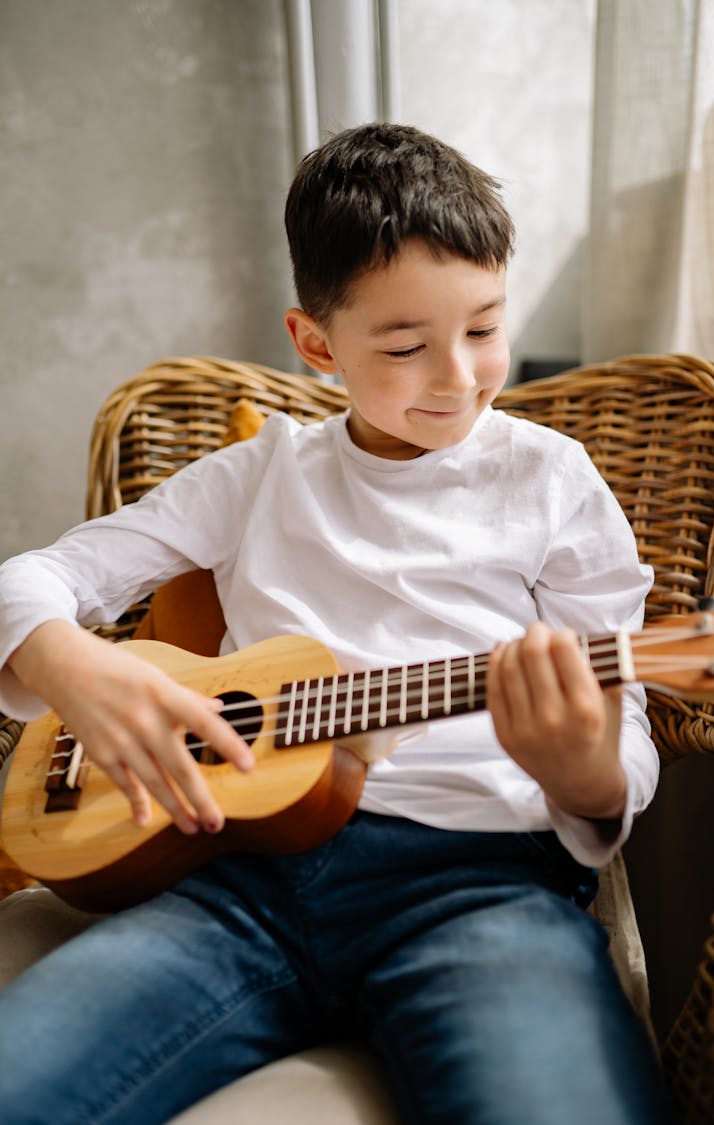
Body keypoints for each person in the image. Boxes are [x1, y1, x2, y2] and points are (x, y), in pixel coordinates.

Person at [0, 123, 673, 1124]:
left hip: (482, 890)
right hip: (236, 884)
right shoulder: (260, 474)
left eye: (484, 328)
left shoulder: (552, 482)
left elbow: (627, 728)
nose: (458, 376)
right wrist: (64, 662)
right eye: (406, 347)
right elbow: (38, 578)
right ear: (317, 344)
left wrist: (586, 773)